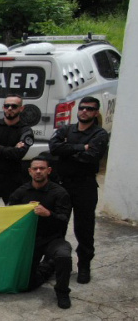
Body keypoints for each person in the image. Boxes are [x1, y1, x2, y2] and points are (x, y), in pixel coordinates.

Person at [48, 96, 109, 284]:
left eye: (90, 109)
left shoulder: (100, 134)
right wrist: (80, 147)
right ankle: (53, 263)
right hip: (63, 185)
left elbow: (91, 157)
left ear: (96, 113)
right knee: (57, 226)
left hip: (85, 186)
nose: (85, 111)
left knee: (84, 229)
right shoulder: (66, 129)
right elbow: (54, 148)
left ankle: (84, 265)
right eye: (82, 108)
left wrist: (67, 151)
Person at [9, 156, 73, 309]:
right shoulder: (22, 191)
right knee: (26, 286)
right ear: (30, 171)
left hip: (53, 239)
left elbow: (64, 219)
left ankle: (62, 292)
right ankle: (47, 268)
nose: (38, 171)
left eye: (42, 168)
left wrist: (48, 214)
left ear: (48, 171)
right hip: (30, 240)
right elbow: (9, 213)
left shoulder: (60, 192)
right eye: (35, 169)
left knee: (64, 255)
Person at [0, 94, 34, 207]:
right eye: (7, 106)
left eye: (14, 106)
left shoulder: (25, 130)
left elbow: (19, 153)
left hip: (12, 180)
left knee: (13, 215)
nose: (9, 109)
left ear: (21, 108)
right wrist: (11, 150)